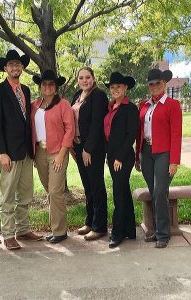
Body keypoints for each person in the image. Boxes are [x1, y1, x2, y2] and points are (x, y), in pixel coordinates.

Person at [0, 49, 43, 250]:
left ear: (22, 67)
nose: (15, 68)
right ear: (5, 68)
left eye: (18, 65)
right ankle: (9, 234)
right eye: (11, 65)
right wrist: (1, 151)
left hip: (26, 152)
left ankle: (23, 229)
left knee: (26, 194)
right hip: (9, 154)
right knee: (8, 195)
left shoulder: (26, 90)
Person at [135, 68, 182, 248]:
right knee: (153, 191)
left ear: (164, 84)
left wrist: (174, 161)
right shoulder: (144, 105)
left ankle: (163, 234)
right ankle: (156, 231)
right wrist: (137, 156)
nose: (154, 86)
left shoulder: (172, 105)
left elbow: (176, 134)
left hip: (164, 153)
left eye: (158, 83)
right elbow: (139, 133)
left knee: (160, 191)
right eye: (151, 84)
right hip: (146, 152)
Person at [30, 70, 75, 243]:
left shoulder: (63, 104)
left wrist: (62, 154)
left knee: (56, 191)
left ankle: (60, 231)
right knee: (50, 191)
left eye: (51, 84)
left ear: (56, 87)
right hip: (39, 153)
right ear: (41, 87)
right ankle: (55, 227)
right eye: (44, 84)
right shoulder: (35, 105)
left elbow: (70, 129)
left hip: (58, 151)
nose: (47, 87)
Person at [72, 66, 109, 241]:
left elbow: (97, 124)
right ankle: (89, 221)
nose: (84, 80)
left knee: (96, 186)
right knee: (87, 186)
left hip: (92, 149)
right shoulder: (77, 96)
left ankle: (100, 226)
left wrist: (88, 149)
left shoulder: (99, 96)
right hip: (78, 147)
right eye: (81, 78)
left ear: (93, 78)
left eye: (88, 77)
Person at [103, 72, 139, 248]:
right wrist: (109, 157)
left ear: (125, 88)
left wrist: (118, 157)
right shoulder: (110, 108)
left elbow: (130, 135)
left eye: (118, 86)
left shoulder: (130, 108)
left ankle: (117, 233)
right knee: (123, 191)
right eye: (112, 87)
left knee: (118, 194)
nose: (115, 89)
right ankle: (130, 230)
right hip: (112, 157)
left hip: (123, 158)